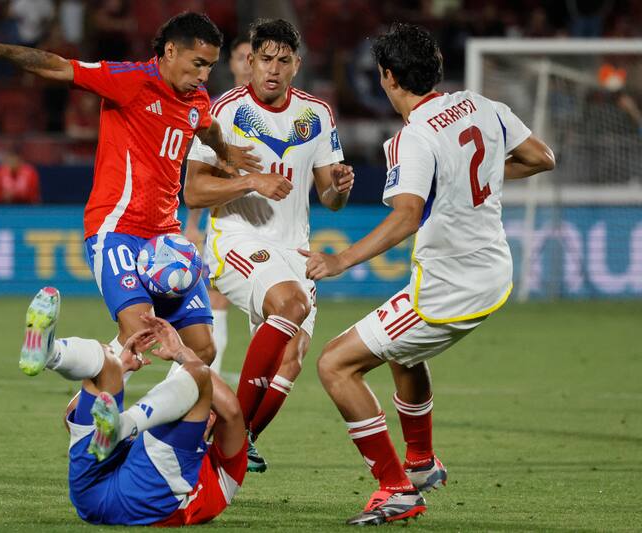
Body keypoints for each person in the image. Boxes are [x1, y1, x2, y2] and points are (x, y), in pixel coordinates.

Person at [298, 23, 555, 525]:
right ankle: (419, 463)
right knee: (402, 352)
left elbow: (405, 217)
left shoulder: (412, 138)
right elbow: (541, 158)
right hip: (492, 271)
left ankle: (396, 490)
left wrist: (338, 260)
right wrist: (476, 177)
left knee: (334, 364)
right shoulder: (482, 105)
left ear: (388, 77)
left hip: (448, 290)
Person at [0, 13, 261, 375]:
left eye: (210, 66)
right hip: (118, 228)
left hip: (166, 236)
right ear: (170, 51)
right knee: (138, 334)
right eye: (198, 63)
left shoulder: (196, 98)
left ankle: (73, 371)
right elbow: (57, 66)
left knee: (202, 348)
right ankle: (57, 356)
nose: (204, 76)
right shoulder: (130, 80)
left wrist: (224, 151)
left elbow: (206, 126)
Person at [184, 19, 354, 472]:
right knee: (291, 305)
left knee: (292, 357)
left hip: (293, 249)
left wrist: (339, 188)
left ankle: (234, 443)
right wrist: (250, 181)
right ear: (251, 62)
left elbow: (330, 199)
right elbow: (193, 191)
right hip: (237, 240)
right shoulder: (225, 111)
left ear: (296, 64)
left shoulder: (317, 114)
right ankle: (232, 434)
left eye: (283, 61)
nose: (273, 69)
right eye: (264, 60)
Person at [20, 287, 247, 526]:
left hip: (147, 501)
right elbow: (74, 416)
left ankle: (122, 423)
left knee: (199, 373)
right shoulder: (140, 440)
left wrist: (182, 352)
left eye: (209, 411)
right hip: (90, 494)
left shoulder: (224, 467)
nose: (207, 413)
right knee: (107, 360)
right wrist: (122, 367)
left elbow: (232, 411)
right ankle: (50, 353)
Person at [183, 35, 253, 377]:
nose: (248, 64)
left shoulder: (278, 110)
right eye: (241, 57)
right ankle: (208, 378)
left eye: (253, 57)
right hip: (225, 219)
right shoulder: (218, 111)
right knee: (216, 298)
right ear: (232, 64)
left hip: (268, 221)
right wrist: (192, 224)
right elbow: (201, 174)